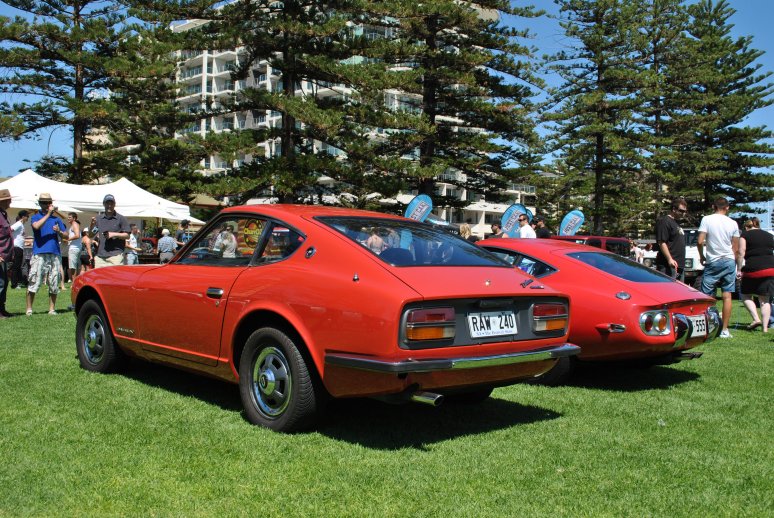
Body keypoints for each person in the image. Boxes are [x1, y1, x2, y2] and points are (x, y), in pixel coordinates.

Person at [697, 197, 741, 339]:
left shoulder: (707, 219)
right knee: (727, 296)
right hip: (728, 260)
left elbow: (700, 241)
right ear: (727, 207)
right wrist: (734, 262)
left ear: (713, 206)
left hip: (713, 260)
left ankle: (708, 327)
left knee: (707, 296)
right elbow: (736, 247)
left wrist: (701, 256)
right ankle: (724, 330)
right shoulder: (733, 223)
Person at [27, 193, 67, 316]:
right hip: (39, 252)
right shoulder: (35, 217)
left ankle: (52, 309)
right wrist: (49, 214)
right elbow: (36, 227)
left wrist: (59, 231)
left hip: (54, 253)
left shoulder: (57, 219)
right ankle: (29, 309)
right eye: (44, 202)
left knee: (54, 281)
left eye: (48, 202)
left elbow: (66, 235)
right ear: (39, 204)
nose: (46, 205)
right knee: (34, 280)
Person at [738, 217, 774, 333]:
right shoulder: (769, 235)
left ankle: (756, 319)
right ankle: (765, 329)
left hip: (753, 269)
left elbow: (741, 252)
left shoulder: (745, 235)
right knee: (765, 300)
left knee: (745, 295)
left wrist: (739, 269)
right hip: (770, 268)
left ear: (746, 227)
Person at [655, 197, 688, 281]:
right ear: (674, 209)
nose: (683, 213)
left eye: (685, 211)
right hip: (668, 265)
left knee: (679, 289)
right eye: (681, 211)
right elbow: (661, 242)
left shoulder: (676, 223)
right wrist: (669, 259)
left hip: (679, 265)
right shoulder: (665, 221)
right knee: (667, 289)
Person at [94, 194, 130, 267]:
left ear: (114, 204)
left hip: (116, 256)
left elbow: (127, 235)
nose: (109, 205)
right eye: (107, 203)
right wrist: (92, 226)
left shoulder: (121, 218)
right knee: (98, 275)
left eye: (111, 203)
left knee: (116, 275)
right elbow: (91, 234)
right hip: (100, 257)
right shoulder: (98, 219)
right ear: (104, 204)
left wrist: (114, 234)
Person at [0, 189, 13, 318]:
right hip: (1, 255)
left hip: (5, 255)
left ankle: (2, 309)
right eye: (8, 200)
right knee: (0, 283)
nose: (10, 202)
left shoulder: (3, 214)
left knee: (4, 283)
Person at [10, 210, 29, 289]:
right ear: (23, 216)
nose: (28, 218)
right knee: (16, 266)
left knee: (18, 266)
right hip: (16, 247)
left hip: (20, 247)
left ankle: (17, 282)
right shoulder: (18, 224)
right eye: (27, 216)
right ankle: (14, 284)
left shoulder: (21, 225)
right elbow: (10, 230)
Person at [66, 212, 82, 280]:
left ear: (74, 218)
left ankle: (74, 282)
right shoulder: (74, 225)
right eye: (68, 217)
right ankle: (76, 281)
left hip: (74, 248)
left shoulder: (74, 224)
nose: (68, 218)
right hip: (76, 247)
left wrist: (68, 239)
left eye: (70, 217)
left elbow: (77, 235)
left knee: (73, 267)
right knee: (76, 266)